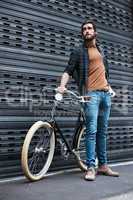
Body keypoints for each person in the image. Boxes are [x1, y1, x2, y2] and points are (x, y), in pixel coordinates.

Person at [57, 19, 119, 181]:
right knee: (91, 131)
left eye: (90, 28)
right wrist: (62, 87)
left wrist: (109, 88)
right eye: (84, 29)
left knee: (102, 132)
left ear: (95, 32)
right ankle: (91, 167)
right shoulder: (79, 51)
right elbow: (68, 70)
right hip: (90, 95)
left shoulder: (100, 52)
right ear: (82, 33)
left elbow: (103, 74)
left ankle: (103, 166)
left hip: (105, 95)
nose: (87, 30)